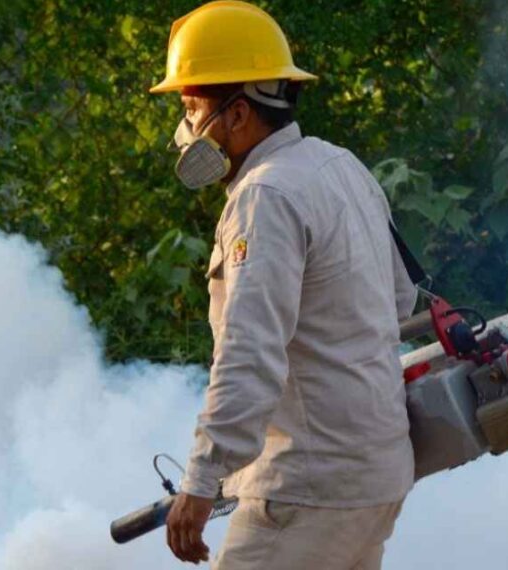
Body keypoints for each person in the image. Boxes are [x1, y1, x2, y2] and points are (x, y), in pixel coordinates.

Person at [149, 2, 420, 569]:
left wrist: (200, 481)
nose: (185, 129)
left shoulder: (263, 197)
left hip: (307, 488)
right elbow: (401, 300)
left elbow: (249, 354)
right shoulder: (340, 165)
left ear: (239, 113)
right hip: (377, 475)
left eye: (191, 107)